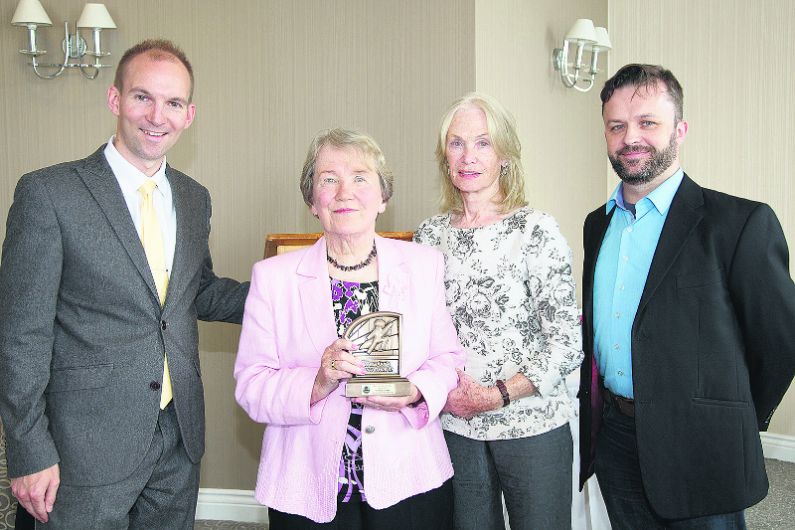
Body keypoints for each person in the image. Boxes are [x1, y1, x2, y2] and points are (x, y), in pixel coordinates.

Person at [0, 39, 250, 529]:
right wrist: (28, 449)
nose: (157, 116)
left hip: (178, 437)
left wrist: (295, 287)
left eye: (173, 103)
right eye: (143, 97)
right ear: (116, 100)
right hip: (82, 447)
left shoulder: (194, 198)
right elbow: (19, 336)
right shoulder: (48, 193)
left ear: (189, 114)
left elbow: (193, 292)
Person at [579, 63, 795, 529]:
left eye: (647, 123)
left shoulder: (740, 224)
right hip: (616, 436)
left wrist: (729, 411)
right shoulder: (597, 224)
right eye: (617, 126)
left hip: (701, 446)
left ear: (680, 129)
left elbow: (779, 342)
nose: (630, 137)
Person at [234, 128, 465, 529]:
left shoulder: (424, 265)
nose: (345, 192)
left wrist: (414, 392)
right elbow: (251, 386)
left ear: (383, 197)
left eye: (360, 177)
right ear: (312, 200)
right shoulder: (273, 278)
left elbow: (447, 360)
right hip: (306, 481)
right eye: (329, 179)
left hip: (408, 477)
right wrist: (318, 382)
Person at [414, 93, 583, 530]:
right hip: (455, 424)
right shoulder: (428, 237)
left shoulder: (535, 230)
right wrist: (439, 392)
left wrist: (496, 394)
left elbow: (566, 342)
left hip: (530, 423)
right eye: (456, 143)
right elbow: (417, 333)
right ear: (443, 156)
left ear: (505, 154)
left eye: (483, 143)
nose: (468, 156)